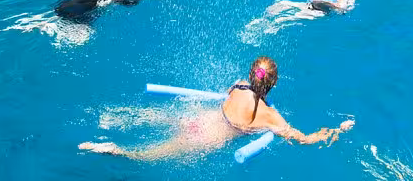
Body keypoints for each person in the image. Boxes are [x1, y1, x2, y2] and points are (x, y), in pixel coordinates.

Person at [78, 56, 355, 160]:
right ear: (275, 83)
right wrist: (337, 130)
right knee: (149, 153)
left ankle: (111, 117)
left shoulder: (237, 86)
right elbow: (304, 139)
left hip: (199, 117)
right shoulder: (271, 116)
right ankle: (116, 150)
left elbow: (229, 95)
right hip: (207, 138)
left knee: (154, 117)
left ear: (250, 76)